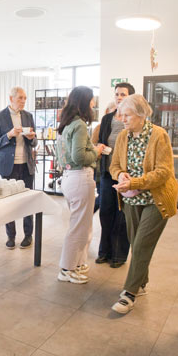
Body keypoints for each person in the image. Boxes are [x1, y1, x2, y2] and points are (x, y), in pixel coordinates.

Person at [110, 95, 178, 311]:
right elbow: (114, 165)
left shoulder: (159, 135)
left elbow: (164, 172)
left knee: (141, 245)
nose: (122, 118)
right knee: (136, 242)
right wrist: (120, 175)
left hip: (155, 201)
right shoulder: (123, 136)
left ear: (141, 115)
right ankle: (141, 283)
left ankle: (129, 293)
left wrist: (135, 182)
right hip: (131, 200)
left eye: (127, 114)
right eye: (121, 114)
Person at [56, 86, 105, 284]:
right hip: (79, 177)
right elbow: (79, 156)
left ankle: (77, 263)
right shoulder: (80, 125)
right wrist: (96, 151)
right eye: (92, 100)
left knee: (82, 226)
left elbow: (67, 155)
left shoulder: (67, 124)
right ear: (85, 102)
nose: (94, 103)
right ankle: (67, 269)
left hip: (70, 177)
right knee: (78, 228)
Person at [0, 87, 37, 249]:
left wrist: (32, 138)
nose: (23, 101)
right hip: (7, 167)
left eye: (25, 98)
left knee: (27, 201)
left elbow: (34, 142)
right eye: (20, 98)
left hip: (26, 165)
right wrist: (9, 135)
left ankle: (28, 235)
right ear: (11, 99)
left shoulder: (28, 116)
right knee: (9, 202)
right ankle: (11, 236)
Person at [95, 83, 135, 267]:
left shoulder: (133, 120)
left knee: (122, 216)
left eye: (123, 94)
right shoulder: (106, 119)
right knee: (106, 213)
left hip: (125, 176)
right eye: (117, 94)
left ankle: (118, 255)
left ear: (130, 97)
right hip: (106, 173)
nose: (119, 97)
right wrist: (100, 148)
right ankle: (104, 251)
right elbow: (101, 142)